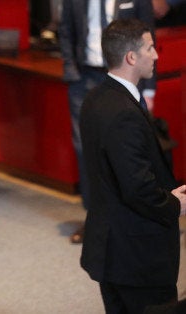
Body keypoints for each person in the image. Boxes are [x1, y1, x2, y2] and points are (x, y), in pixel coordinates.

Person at [79, 19, 186, 314]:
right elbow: (137, 187)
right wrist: (174, 205)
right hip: (137, 256)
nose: (156, 54)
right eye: (150, 48)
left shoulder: (95, 98)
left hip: (111, 249)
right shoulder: (124, 112)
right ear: (131, 57)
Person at [58, 0, 155, 244]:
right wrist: (71, 71)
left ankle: (139, 218)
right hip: (85, 78)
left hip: (127, 76)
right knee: (86, 150)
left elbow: (148, 36)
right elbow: (66, 30)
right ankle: (94, 219)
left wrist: (150, 89)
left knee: (131, 149)